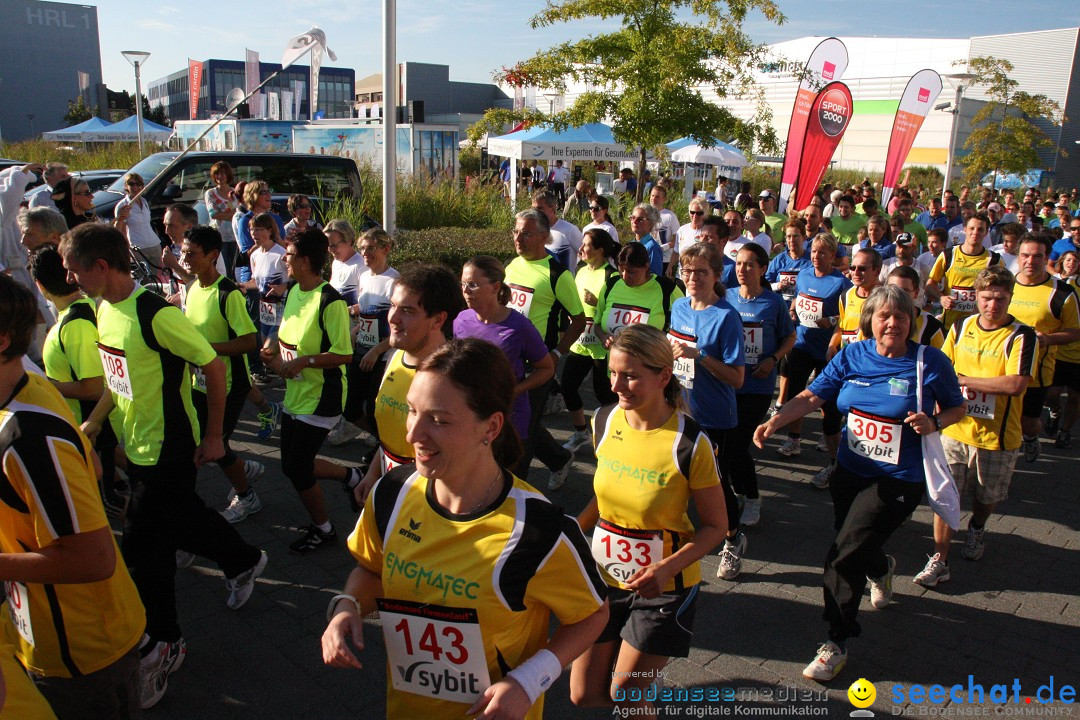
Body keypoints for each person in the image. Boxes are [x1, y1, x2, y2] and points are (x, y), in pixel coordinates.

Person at [323, 338, 609, 720]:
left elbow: (593, 614)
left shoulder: (539, 529)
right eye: (412, 411)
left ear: (490, 426)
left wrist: (529, 680)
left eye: (438, 420)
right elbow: (370, 569)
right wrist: (348, 605)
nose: (412, 435)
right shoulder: (391, 493)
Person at [61, 223, 267, 709]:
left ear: (103, 267)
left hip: (170, 448)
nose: (69, 276)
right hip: (135, 445)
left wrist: (216, 435)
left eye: (75, 268)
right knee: (179, 520)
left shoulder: (155, 313)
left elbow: (212, 366)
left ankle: (164, 642)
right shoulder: (101, 308)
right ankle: (242, 560)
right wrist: (93, 424)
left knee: (141, 548)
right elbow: (119, 377)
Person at [755, 285, 965, 681]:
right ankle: (882, 565)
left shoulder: (929, 362)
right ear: (869, 320)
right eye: (884, 315)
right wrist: (776, 420)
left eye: (900, 316)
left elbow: (958, 406)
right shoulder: (853, 354)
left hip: (898, 479)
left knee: (842, 553)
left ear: (911, 322)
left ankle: (836, 641)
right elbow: (814, 397)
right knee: (852, 540)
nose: (892, 323)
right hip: (850, 472)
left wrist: (935, 422)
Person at [0, 273, 146, 720]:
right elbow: (94, 467)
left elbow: (95, 559)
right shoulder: (28, 387)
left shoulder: (29, 439)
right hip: (44, 635)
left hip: (84, 654)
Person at [571, 324, 727, 714]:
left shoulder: (689, 443)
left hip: (665, 587)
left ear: (663, 376)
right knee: (584, 694)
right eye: (613, 372)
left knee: (626, 693)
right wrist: (573, 529)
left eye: (630, 375)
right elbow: (607, 494)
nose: (617, 384)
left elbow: (716, 527)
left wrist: (666, 567)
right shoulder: (604, 421)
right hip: (606, 576)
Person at [913, 267, 1036, 587]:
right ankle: (940, 559)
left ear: (1010, 298)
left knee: (984, 495)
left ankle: (977, 528)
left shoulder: (1022, 335)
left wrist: (964, 381)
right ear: (977, 297)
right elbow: (944, 369)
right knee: (945, 495)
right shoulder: (963, 326)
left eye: (1000, 299)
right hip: (955, 429)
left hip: (997, 437)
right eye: (986, 298)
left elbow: (1016, 384)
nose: (992, 305)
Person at [259, 228, 357, 552]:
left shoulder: (331, 301)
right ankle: (349, 477)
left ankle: (324, 529)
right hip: (295, 392)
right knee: (291, 464)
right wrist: (271, 347)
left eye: (288, 254)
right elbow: (285, 331)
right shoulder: (293, 292)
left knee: (298, 468)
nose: (284, 259)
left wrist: (305, 361)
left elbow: (344, 353)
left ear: (303, 261)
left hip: (322, 397)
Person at [665, 241, 746, 578]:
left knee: (715, 485)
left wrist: (698, 356)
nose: (693, 277)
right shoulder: (680, 306)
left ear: (716, 276)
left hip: (715, 415)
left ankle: (732, 538)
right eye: (688, 271)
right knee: (675, 475)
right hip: (678, 410)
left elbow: (737, 378)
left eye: (701, 271)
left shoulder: (727, 317)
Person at [29, 246, 125, 517]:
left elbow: (94, 388)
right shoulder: (79, 312)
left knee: (110, 504)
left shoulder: (76, 324)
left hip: (94, 428)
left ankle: (171, 540)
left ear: (40, 285)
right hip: (92, 429)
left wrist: (44, 384)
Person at [180, 226, 267, 523]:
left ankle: (248, 497)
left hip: (231, 384)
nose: (185, 258)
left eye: (191, 253)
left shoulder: (228, 294)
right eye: (183, 251)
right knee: (206, 442)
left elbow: (248, 341)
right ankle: (243, 467)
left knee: (215, 446)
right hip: (200, 383)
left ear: (213, 255)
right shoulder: (192, 289)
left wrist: (205, 350)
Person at [354, 264, 462, 504]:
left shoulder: (451, 380)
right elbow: (390, 436)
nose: (392, 318)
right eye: (393, 305)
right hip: (390, 484)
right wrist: (373, 474)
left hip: (425, 498)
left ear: (438, 320)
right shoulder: (395, 358)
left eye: (407, 311)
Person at [505, 209, 585, 490]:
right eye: (515, 231)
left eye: (526, 233)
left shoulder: (557, 274)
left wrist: (558, 353)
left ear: (543, 236)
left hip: (537, 362)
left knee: (523, 426)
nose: (518, 238)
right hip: (508, 357)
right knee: (518, 418)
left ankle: (515, 492)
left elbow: (579, 319)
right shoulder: (512, 265)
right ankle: (559, 459)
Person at [454, 255, 554, 452]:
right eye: (463, 283)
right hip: (472, 414)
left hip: (509, 417)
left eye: (473, 284)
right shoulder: (461, 320)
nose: (465, 291)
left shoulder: (519, 326)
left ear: (495, 287)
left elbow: (546, 368)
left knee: (504, 476)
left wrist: (515, 390)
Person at [726, 243, 796, 528]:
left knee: (739, 445)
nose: (741, 270)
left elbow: (789, 337)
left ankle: (752, 497)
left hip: (757, 384)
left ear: (763, 269)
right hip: (728, 382)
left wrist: (774, 359)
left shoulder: (773, 303)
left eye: (749, 264)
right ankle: (739, 492)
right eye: (738, 264)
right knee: (727, 446)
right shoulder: (726, 297)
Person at [775, 233, 852, 471]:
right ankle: (794, 439)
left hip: (827, 350)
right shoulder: (805, 274)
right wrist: (792, 309)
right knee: (796, 394)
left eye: (822, 253)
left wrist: (831, 319)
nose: (817, 257)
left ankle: (828, 435)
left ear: (832, 255)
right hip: (802, 344)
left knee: (826, 401)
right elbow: (799, 299)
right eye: (814, 252)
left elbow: (850, 316)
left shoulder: (841, 283)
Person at [1006, 231, 1080, 462]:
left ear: (1047, 258)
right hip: (1002, 367)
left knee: (1029, 423)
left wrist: (1048, 339)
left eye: (1037, 256)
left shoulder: (1062, 293)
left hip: (1037, 371)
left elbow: (1075, 331)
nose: (1030, 261)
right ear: (1018, 257)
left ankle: (1030, 437)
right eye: (1025, 255)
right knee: (1004, 418)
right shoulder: (1004, 285)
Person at [561, 228, 620, 454]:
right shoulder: (580, 270)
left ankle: (614, 436)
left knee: (605, 394)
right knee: (567, 385)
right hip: (580, 339)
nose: (582, 248)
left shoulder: (612, 276)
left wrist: (595, 301)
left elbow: (614, 308)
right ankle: (580, 432)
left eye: (587, 245)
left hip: (602, 343)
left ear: (600, 250)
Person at [343, 228, 399, 453]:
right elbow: (368, 313)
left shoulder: (394, 281)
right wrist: (355, 329)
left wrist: (377, 351)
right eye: (362, 248)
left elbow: (399, 327)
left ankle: (386, 448)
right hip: (361, 351)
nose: (365, 253)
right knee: (351, 409)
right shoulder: (365, 276)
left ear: (386, 249)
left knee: (376, 409)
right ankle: (382, 440)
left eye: (371, 248)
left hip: (383, 356)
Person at [324, 218, 369, 446]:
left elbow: (369, 302)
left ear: (349, 240)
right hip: (339, 328)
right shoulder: (337, 264)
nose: (331, 251)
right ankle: (347, 419)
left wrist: (348, 311)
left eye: (335, 245)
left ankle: (355, 424)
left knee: (354, 381)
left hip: (356, 331)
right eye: (328, 245)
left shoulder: (360, 265)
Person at [594, 243, 682, 350]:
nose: (625, 276)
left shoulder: (667, 289)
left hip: (651, 363)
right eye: (621, 270)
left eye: (631, 272)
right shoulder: (611, 285)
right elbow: (597, 324)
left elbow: (683, 329)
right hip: (615, 365)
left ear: (646, 267)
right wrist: (604, 337)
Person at [927, 214, 1003, 331]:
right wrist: (941, 298)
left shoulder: (994, 259)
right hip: (950, 325)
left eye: (980, 229)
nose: (975, 232)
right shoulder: (949, 255)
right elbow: (930, 284)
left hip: (980, 324)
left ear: (986, 233)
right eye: (972, 228)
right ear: (965, 230)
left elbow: (1004, 290)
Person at [885, 266, 945, 348]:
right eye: (893, 289)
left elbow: (941, 359)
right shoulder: (875, 319)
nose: (897, 295)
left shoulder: (931, 325)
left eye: (904, 291)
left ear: (916, 293)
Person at [113, 173, 160, 274]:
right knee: (143, 280)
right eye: (131, 184)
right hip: (138, 249)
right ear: (126, 186)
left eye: (138, 184)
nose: (135, 187)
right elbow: (118, 231)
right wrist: (120, 218)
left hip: (154, 245)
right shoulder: (123, 205)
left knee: (157, 279)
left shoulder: (144, 201)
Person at [204, 161, 239, 275]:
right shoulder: (210, 193)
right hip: (219, 238)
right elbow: (213, 214)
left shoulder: (236, 193)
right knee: (224, 270)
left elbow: (240, 213)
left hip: (235, 237)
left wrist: (226, 215)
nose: (220, 176)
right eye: (217, 173)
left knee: (236, 269)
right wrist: (233, 215)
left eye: (223, 173)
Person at [766, 218, 813, 304]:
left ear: (804, 238)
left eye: (795, 236)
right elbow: (764, 284)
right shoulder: (779, 260)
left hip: (802, 307)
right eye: (788, 236)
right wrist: (777, 285)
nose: (792, 240)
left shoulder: (812, 260)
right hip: (781, 306)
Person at [533, 190, 582, 271]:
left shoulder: (569, 230)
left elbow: (589, 256)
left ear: (552, 208)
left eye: (540, 208)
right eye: (533, 209)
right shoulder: (534, 231)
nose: (536, 212)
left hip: (564, 282)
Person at [671, 197, 709, 275]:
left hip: (699, 276)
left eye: (699, 213)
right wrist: (670, 267)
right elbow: (676, 251)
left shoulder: (708, 231)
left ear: (705, 214)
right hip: (681, 275)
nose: (695, 216)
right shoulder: (682, 230)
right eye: (692, 212)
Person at [650, 185, 681, 273]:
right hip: (647, 258)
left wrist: (663, 247)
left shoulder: (670, 216)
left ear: (664, 199)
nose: (653, 198)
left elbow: (677, 239)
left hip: (664, 260)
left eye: (657, 196)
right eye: (652, 195)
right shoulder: (645, 213)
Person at [628, 204, 664, 278]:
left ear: (651, 224)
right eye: (632, 218)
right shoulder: (630, 245)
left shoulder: (652, 247)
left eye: (640, 219)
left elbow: (655, 277)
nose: (634, 221)